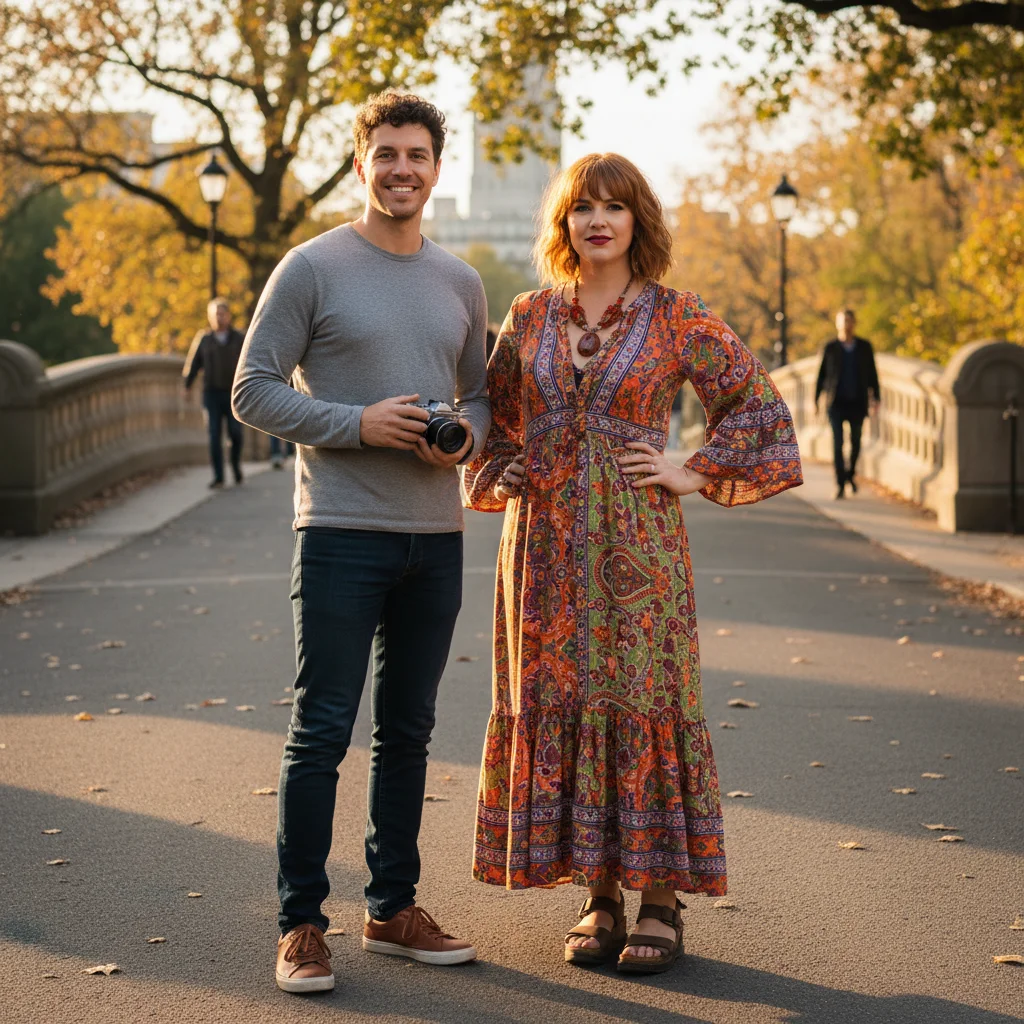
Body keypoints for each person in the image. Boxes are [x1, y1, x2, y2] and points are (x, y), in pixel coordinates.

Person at [462, 153, 802, 974]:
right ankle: (600, 894)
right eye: (583, 207)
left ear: (639, 221)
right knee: (567, 700)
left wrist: (692, 468)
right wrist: (500, 469)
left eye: (616, 207)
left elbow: (759, 408)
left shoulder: (678, 315)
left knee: (642, 698)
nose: (598, 220)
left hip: (636, 548)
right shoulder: (531, 315)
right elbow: (500, 421)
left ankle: (658, 899)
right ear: (565, 223)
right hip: (542, 549)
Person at [231, 91, 490, 994]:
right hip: (339, 530)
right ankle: (301, 923)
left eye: (416, 154)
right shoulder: (311, 267)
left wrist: (463, 430)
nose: (401, 168)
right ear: (360, 164)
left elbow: (480, 396)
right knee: (321, 732)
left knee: (409, 734)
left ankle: (391, 908)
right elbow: (252, 390)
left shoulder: (460, 280)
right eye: (386, 153)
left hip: (437, 537)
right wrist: (358, 422)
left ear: (435, 166)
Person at [814, 309, 880, 499]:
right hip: (836, 403)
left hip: (858, 402)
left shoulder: (864, 347)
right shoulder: (831, 347)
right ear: (837, 324)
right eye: (843, 321)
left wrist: (876, 397)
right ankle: (840, 483)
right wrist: (816, 400)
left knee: (856, 443)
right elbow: (821, 375)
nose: (846, 325)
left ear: (854, 323)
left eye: (849, 321)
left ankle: (850, 475)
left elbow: (872, 374)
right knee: (837, 444)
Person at [183, 297, 246, 488]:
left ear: (228, 316)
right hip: (211, 394)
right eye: (215, 314)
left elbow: (250, 364)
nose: (219, 318)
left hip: (234, 393)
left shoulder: (239, 338)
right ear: (211, 317)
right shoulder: (205, 339)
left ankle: (235, 465)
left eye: (222, 314)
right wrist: (187, 385)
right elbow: (193, 365)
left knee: (236, 433)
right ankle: (219, 476)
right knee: (214, 435)